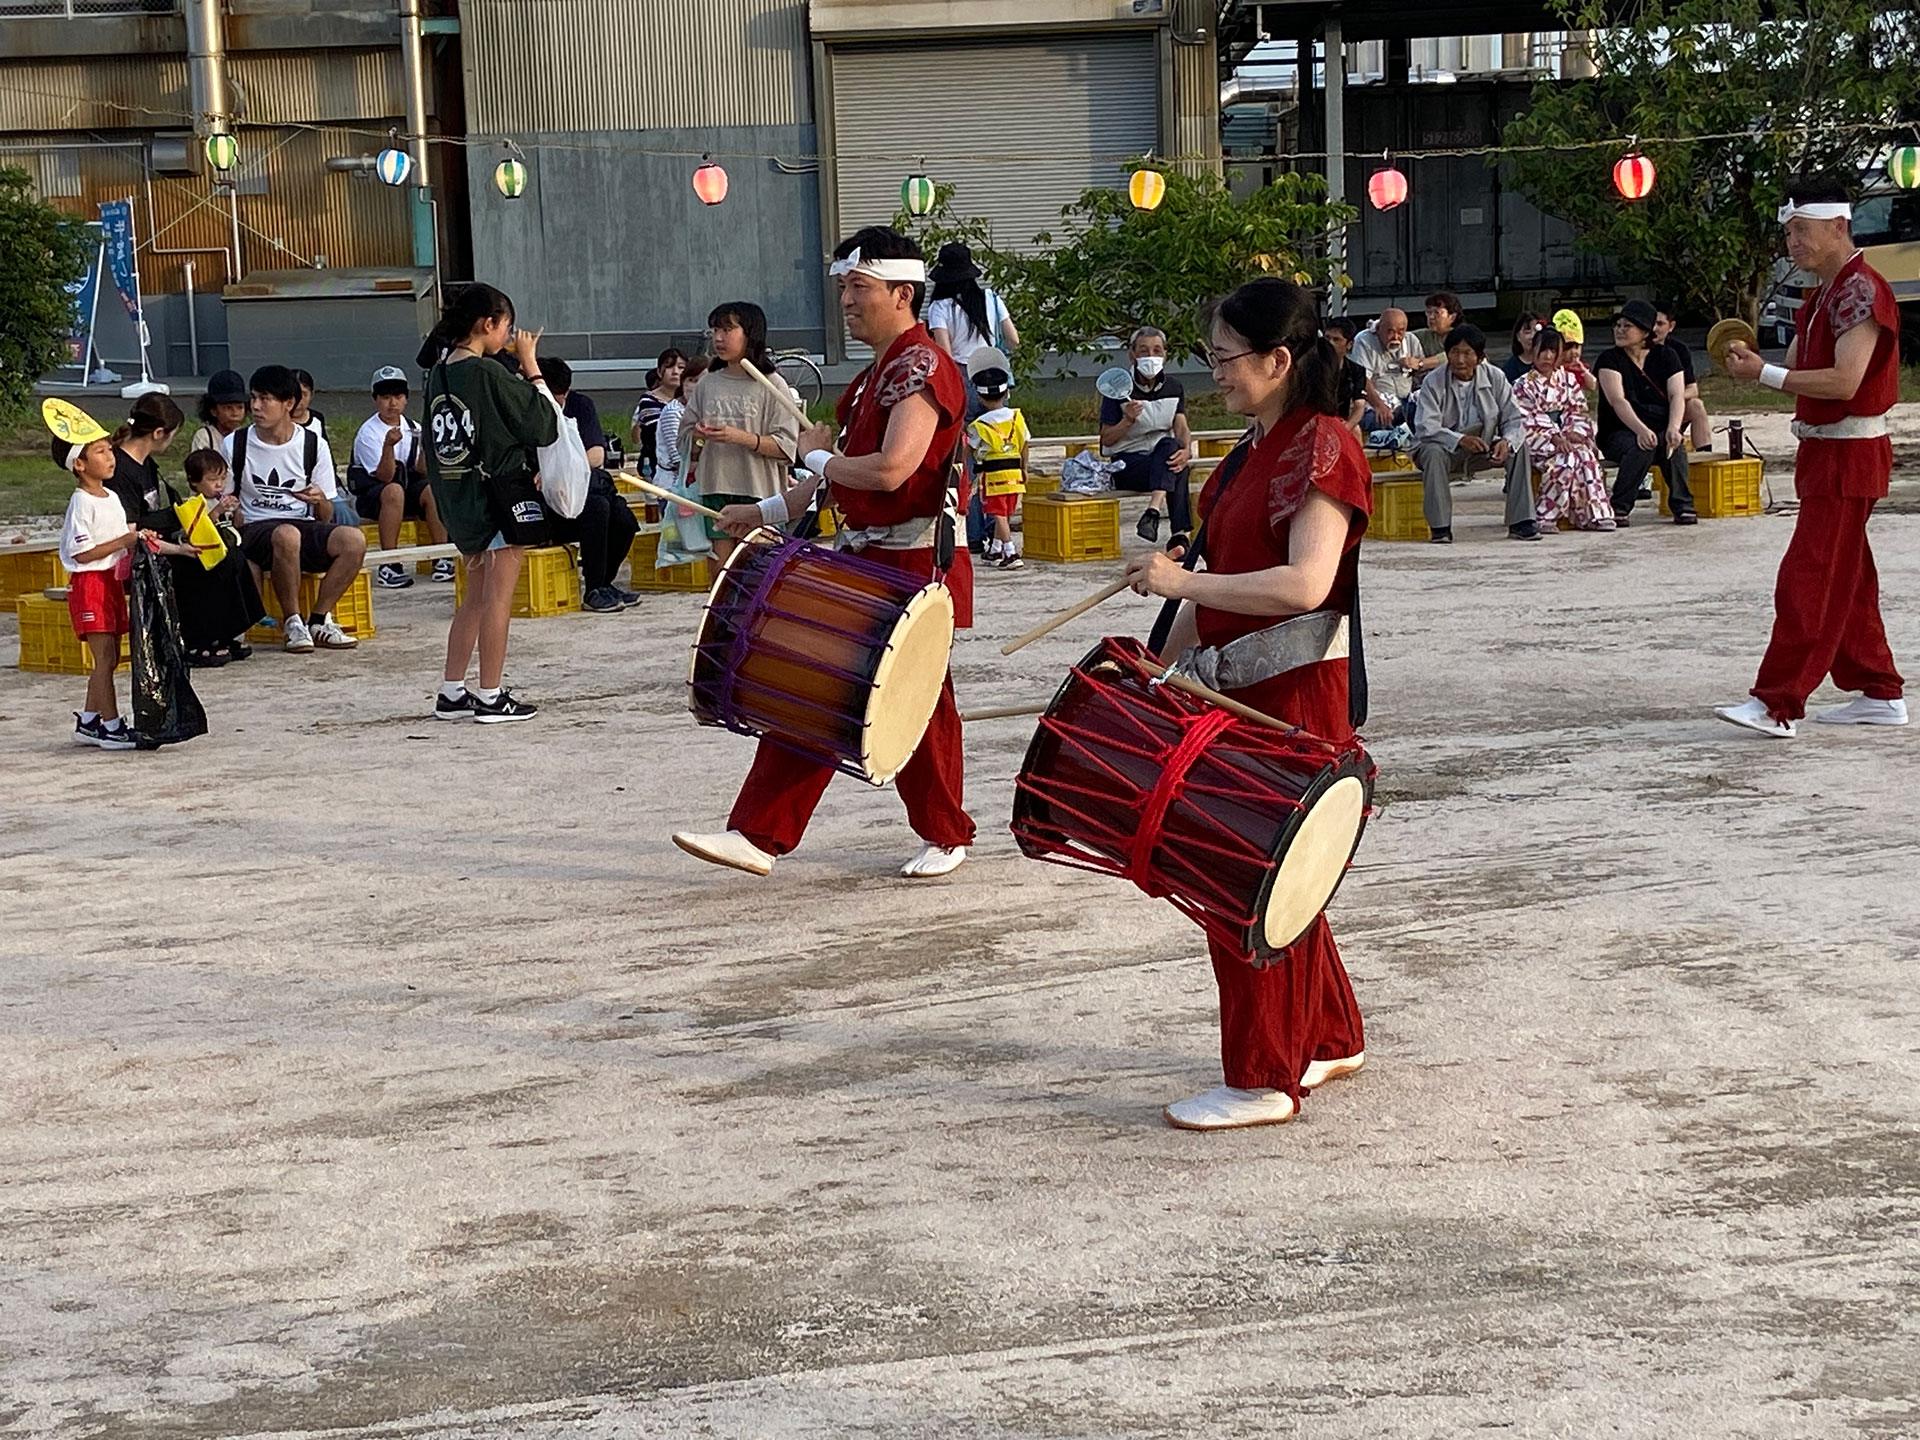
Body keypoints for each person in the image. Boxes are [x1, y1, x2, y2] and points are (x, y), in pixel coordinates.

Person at [1121, 277, 1371, 1131]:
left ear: (1279, 359)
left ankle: (1264, 1075)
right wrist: (1158, 667)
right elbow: (1215, 589)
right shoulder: (1248, 450)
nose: (1215, 372)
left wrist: (1181, 579)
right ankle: (1330, 1034)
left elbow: (1307, 582)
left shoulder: (1326, 445)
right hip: (1236, 689)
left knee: (1248, 877)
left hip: (1292, 694)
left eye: (1226, 359)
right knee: (1281, 872)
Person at [678, 224, 975, 881]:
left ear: (903, 293)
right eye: (843, 285)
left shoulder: (922, 366)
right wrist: (762, 512)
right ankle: (766, 833)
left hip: (911, 558)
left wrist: (814, 449)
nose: (845, 298)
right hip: (867, 556)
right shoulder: (878, 375)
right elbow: (831, 477)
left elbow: (891, 470)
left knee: (900, 696)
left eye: (859, 286)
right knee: (829, 685)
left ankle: (939, 831)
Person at [1715, 178, 1907, 738]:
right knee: (1849, 577)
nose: (1792, 243)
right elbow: (1799, 364)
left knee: (1810, 578)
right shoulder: (1824, 291)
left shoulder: (1860, 291)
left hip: (1850, 452)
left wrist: (1764, 373)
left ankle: (1778, 703)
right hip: (1827, 452)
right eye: (1790, 233)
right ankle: (1879, 689)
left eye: (1802, 231)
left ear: (1838, 226)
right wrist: (1757, 361)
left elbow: (1845, 380)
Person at [418, 282, 558, 723]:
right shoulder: (488, 372)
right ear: (488, 324)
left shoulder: (439, 374)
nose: (510, 336)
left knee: (474, 598)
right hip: (496, 497)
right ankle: (492, 695)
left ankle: (452, 690)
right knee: (499, 599)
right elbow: (543, 424)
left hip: (459, 499)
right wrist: (531, 365)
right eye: (507, 327)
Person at [109, 392, 263, 667]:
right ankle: (197, 640)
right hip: (136, 555)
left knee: (231, 555)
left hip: (160, 541)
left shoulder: (145, 464)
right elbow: (130, 533)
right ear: (159, 433)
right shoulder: (122, 470)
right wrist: (180, 548)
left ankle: (226, 632)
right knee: (203, 565)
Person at [223, 364, 366, 654]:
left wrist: (319, 501)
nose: (256, 407)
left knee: (354, 540)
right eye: (254, 398)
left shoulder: (313, 444)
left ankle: (319, 619)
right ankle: (292, 621)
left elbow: (325, 515)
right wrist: (230, 509)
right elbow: (224, 506)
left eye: (265, 399)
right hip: (254, 528)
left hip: (299, 524)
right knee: (287, 534)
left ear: (288, 403)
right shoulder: (235, 444)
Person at [676, 300, 800, 564]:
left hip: (759, 491)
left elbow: (786, 447)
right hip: (714, 487)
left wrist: (741, 438)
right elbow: (686, 442)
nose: (718, 339)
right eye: (715, 331)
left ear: (750, 333)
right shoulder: (708, 382)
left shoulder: (772, 384)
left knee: (759, 571)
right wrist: (699, 435)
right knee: (722, 574)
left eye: (727, 330)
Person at [1410, 324, 1540, 542]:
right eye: (1454, 353)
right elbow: (1426, 427)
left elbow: (1514, 419)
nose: (1460, 360)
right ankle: (1440, 528)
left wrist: (1506, 441)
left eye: (1467, 353)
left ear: (1480, 358)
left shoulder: (1496, 377)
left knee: (1518, 448)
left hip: (1483, 444)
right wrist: (1460, 440)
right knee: (1432, 452)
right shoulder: (1433, 380)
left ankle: (1521, 522)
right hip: (1443, 447)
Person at [538, 356, 641, 613]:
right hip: (549, 501)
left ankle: (605, 582)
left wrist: (561, 470)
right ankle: (593, 588)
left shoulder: (580, 405)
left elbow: (597, 455)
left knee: (624, 519)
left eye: (562, 395)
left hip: (580, 488)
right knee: (597, 508)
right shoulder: (530, 412)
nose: (558, 401)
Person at [351, 366, 455, 588]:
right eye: (386, 397)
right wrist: (388, 446)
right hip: (374, 496)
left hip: (406, 489)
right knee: (394, 491)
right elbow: (384, 476)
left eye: (398, 397)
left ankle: (442, 557)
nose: (392, 404)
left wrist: (427, 445)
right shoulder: (368, 433)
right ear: (376, 400)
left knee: (432, 489)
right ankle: (389, 563)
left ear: (406, 399)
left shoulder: (412, 427)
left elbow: (423, 470)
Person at [1596, 299, 1695, 526]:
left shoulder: (1667, 356)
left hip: (1659, 425)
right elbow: (1617, 400)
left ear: (1644, 332)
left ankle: (1683, 505)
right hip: (1619, 430)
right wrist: (1640, 429)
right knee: (1640, 445)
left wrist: (1673, 427)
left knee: (1673, 444)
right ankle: (1620, 506)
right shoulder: (1609, 359)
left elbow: (1676, 395)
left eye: (1627, 326)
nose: (1620, 331)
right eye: (1617, 325)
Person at [1100, 326, 1194, 544]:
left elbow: (1181, 425)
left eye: (1157, 350)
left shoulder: (1174, 387)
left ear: (1165, 354)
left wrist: (1187, 450)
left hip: (1159, 460)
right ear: (1132, 355)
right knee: (1175, 466)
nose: (1151, 357)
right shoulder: (1117, 390)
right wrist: (1127, 421)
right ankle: (1179, 536)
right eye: (1144, 351)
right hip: (1127, 464)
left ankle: (1155, 515)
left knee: (1175, 455)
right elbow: (1107, 439)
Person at [1514, 327, 1614, 532]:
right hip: (1537, 439)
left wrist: (1573, 432)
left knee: (1586, 457)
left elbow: (1576, 410)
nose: (1548, 356)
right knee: (1566, 460)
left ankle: (1596, 515)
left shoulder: (1568, 380)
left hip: (1565, 435)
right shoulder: (1523, 385)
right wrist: (1556, 438)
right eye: (1543, 350)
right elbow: (1528, 419)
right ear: (1533, 351)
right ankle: (1545, 515)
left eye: (1553, 351)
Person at [966, 346, 1028, 569]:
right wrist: (1025, 468)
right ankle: (995, 548)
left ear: (979, 398)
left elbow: (969, 450)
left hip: (993, 478)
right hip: (1015, 474)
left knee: (997, 513)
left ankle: (1010, 552)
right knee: (1006, 512)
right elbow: (1025, 443)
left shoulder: (978, 426)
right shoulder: (1017, 417)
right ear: (1007, 393)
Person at [926, 241, 1020, 372]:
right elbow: (1013, 340)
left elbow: (945, 354)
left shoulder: (940, 307)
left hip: (963, 371)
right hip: (994, 369)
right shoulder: (991, 298)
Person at [1652, 304, 1713, 450]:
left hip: (1671, 405)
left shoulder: (1679, 349)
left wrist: (1675, 399)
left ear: (1671, 326)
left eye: (1660, 324)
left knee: (1696, 405)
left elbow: (1693, 389)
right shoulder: (1635, 348)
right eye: (1651, 323)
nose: (1654, 328)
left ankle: (1704, 456)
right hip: (1644, 408)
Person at [1351, 308, 1421, 424]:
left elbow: (1422, 373)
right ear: (1378, 329)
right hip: (1377, 402)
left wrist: (1418, 364)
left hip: (1407, 400)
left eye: (1400, 332)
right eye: (1390, 331)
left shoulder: (1411, 340)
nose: (1395, 337)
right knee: (1379, 420)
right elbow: (1362, 379)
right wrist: (1379, 405)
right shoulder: (1364, 341)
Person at [1324, 316, 1388, 441]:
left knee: (1356, 431)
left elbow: (1359, 406)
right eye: (1327, 338)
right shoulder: (1310, 367)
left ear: (1349, 344)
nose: (1330, 343)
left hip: (1341, 421)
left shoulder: (1356, 371)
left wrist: (1345, 428)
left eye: (1336, 339)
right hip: (1315, 420)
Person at [629, 347, 686, 475]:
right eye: (670, 367)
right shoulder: (648, 400)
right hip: (657, 466)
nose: (675, 372)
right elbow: (664, 432)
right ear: (660, 372)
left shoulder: (691, 398)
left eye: (681, 367)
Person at [188, 369, 248, 453]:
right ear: (214, 411)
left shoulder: (246, 437)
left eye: (240, 407)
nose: (235, 413)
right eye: (228, 408)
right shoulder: (205, 436)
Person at [1410, 291, 1463, 373]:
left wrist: (1421, 363)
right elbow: (1404, 337)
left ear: (1452, 317)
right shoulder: (1423, 335)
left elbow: (1452, 356)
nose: (1431, 317)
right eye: (1429, 312)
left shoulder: (1463, 335)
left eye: (1437, 313)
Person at [1501, 312, 1546, 382]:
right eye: (1527, 332)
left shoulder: (1549, 363)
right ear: (1518, 336)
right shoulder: (1510, 368)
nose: (1532, 336)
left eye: (1536, 331)